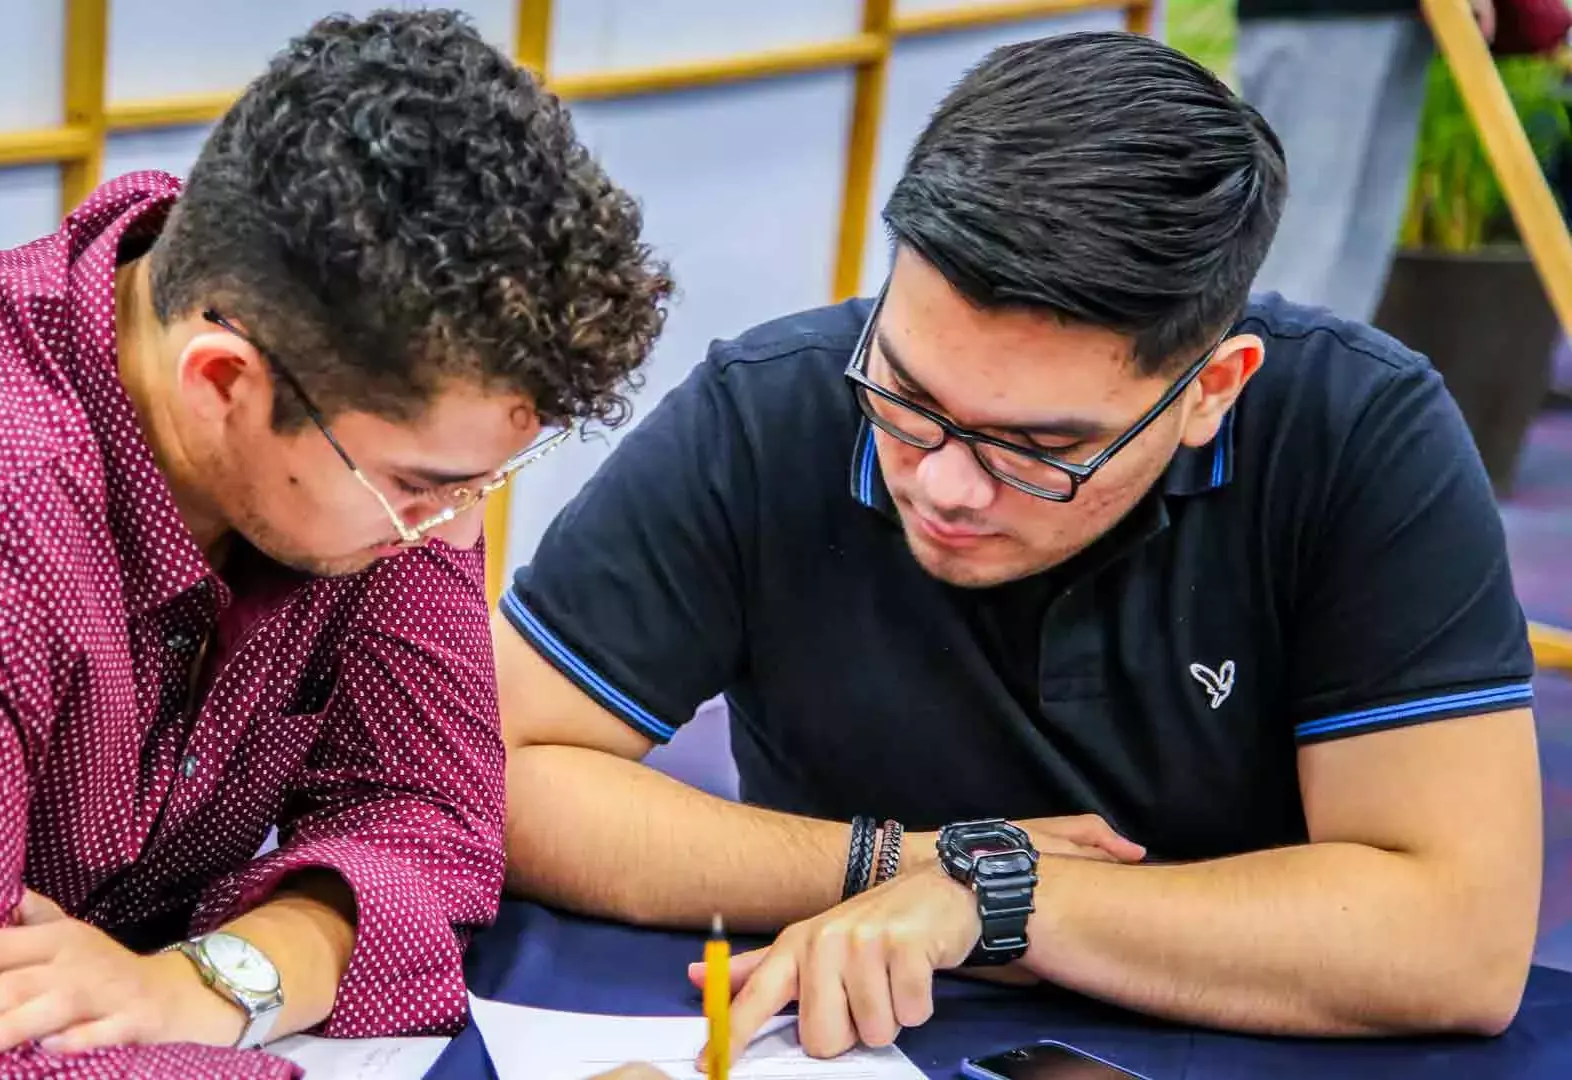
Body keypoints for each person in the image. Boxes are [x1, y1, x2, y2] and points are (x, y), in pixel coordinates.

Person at [494, 29, 1542, 1067]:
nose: (945, 484)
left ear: (1210, 392)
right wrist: (896, 866)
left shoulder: (1358, 434)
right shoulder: (772, 409)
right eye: (907, 397)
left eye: (1042, 448)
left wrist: (997, 900)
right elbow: (491, 771)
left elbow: (1458, 940)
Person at [0, 10, 671, 1076]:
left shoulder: (347, 404)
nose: (455, 533)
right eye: (420, 489)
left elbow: (430, 818)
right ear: (222, 383)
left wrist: (215, 980)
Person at [1234, 0, 1496, 323]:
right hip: (1317, 17)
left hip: (1401, 16)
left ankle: (1319, 370)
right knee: (1291, 248)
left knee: (1354, 262)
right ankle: (1261, 368)